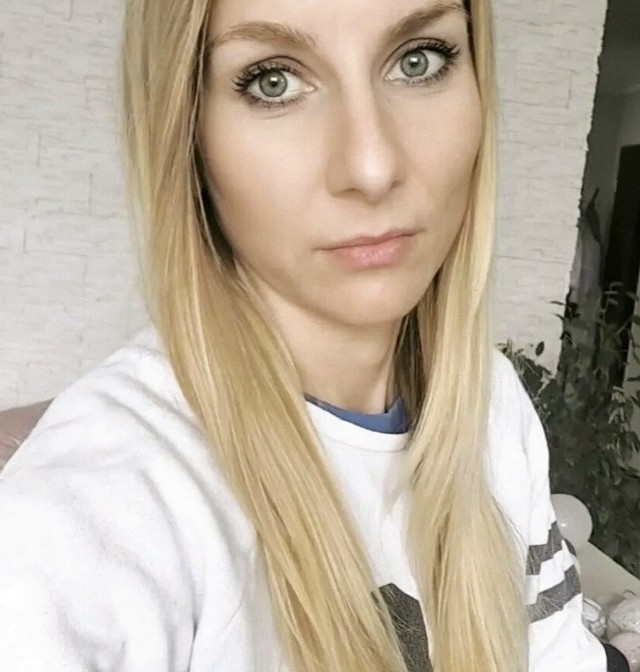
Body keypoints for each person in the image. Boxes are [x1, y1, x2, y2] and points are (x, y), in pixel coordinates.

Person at [0, 0, 626, 671]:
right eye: (273, 81)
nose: (372, 166)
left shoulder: (491, 404)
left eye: (419, 61)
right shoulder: (93, 513)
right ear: (186, 130)